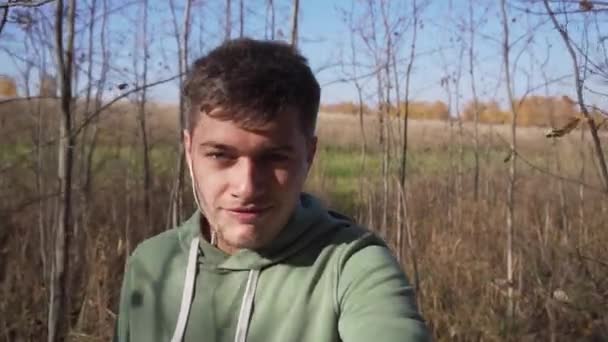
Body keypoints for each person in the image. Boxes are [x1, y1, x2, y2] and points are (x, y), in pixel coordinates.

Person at [113, 38, 430, 342]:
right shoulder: (151, 265)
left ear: (309, 154)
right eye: (220, 155)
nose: (246, 187)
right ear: (188, 149)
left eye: (275, 157)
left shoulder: (351, 268)